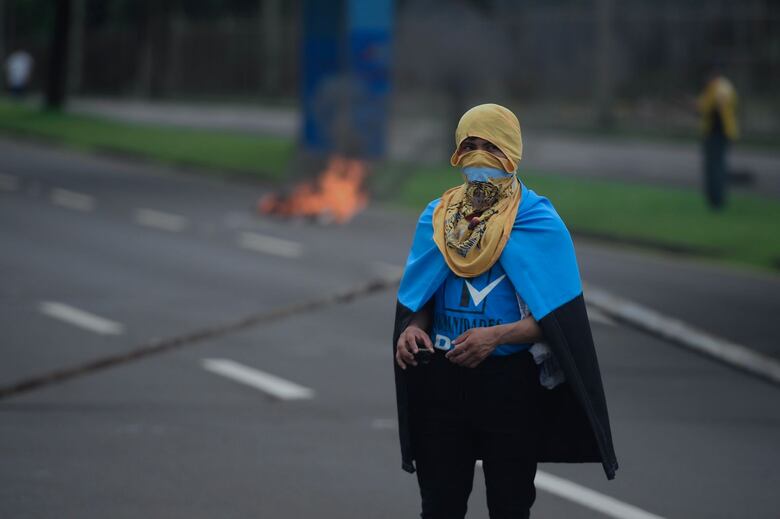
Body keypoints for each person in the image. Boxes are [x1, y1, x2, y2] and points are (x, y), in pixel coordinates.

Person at [392, 103, 618, 518]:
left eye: (491, 147)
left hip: (511, 387)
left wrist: (496, 337)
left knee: (510, 508)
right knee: (439, 507)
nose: (479, 157)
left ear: (512, 152)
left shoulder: (538, 222)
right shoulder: (437, 218)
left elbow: (559, 322)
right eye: (470, 145)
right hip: (443, 383)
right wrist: (412, 328)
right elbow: (420, 300)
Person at [697, 69, 739, 210]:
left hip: (717, 134)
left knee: (715, 167)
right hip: (718, 133)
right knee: (716, 166)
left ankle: (716, 200)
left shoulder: (720, 87)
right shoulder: (720, 87)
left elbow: (707, 108)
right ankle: (715, 199)